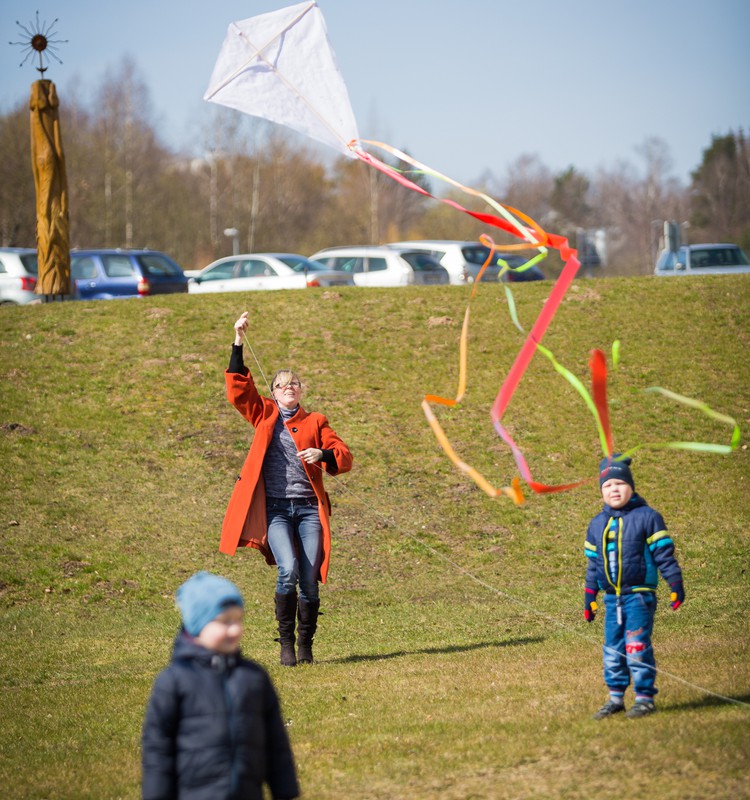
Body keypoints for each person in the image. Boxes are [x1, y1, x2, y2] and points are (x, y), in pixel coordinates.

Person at [220, 311, 353, 667]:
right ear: (274, 391)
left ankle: (306, 645)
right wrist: (238, 339)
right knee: (288, 569)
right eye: (281, 384)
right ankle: (286, 646)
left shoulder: (316, 421)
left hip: (309, 510)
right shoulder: (263, 412)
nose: (288, 387)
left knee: (309, 579)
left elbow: (344, 456)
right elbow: (238, 390)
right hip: (276, 510)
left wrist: (322, 453)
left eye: (293, 383)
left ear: (301, 390)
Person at [141, 571, 300, 800]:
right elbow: (157, 748)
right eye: (225, 622)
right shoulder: (174, 682)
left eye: (238, 620)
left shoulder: (254, 677)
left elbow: (276, 741)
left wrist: (285, 790)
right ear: (197, 625)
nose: (235, 629)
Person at [583, 454, 685, 719]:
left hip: (639, 598)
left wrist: (674, 583)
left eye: (619, 483)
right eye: (607, 486)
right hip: (611, 600)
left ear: (631, 486)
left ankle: (644, 698)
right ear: (601, 491)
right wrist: (589, 595)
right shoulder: (597, 525)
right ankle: (616, 698)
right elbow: (593, 565)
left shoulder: (648, 517)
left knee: (636, 646)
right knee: (612, 649)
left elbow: (664, 555)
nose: (614, 489)